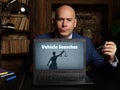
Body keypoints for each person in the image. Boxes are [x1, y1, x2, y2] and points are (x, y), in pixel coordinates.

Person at [26, 5, 118, 74]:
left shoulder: (87, 43)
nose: (64, 24)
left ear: (75, 23)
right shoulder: (38, 41)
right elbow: (24, 68)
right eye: (60, 19)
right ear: (54, 22)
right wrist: (32, 68)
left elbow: (102, 69)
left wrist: (111, 58)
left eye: (69, 20)